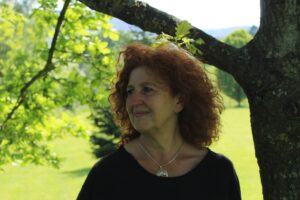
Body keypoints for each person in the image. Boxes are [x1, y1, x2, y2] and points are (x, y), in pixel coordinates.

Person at [77, 42, 241, 200]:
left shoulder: (218, 173)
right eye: (130, 91)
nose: (134, 101)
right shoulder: (107, 174)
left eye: (147, 89)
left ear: (179, 101)